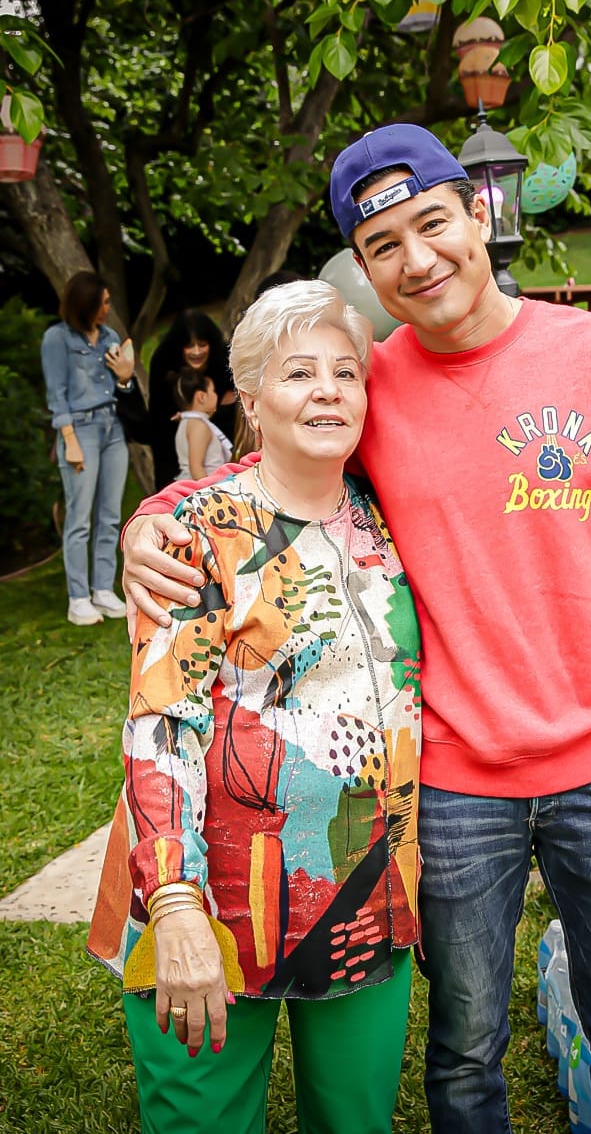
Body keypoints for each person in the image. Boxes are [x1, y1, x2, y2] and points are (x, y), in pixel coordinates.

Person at [120, 124, 591, 1133]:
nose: (418, 259)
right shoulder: (372, 388)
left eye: (432, 224)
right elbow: (271, 484)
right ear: (363, 270)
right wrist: (153, 520)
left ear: (478, 213)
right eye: (383, 247)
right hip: (449, 789)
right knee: (461, 1053)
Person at [87, 280, 423, 1134]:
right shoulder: (195, 534)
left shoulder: (387, 524)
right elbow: (161, 727)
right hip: (210, 900)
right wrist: (173, 905)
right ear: (251, 397)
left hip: (364, 895)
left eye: (346, 374)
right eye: (298, 373)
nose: (327, 391)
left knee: (357, 1124)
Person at [41, 270, 133, 625]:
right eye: (103, 302)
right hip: (80, 431)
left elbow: (121, 389)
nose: (107, 308)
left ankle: (103, 590)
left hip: (113, 428)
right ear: (85, 305)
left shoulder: (108, 336)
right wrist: (70, 442)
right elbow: (56, 396)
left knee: (110, 516)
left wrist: (125, 378)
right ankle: (78, 598)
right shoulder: (56, 339)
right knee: (79, 519)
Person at [148, 309, 237, 489]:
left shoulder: (225, 360)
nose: (196, 352)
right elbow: (158, 420)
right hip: (174, 449)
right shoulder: (163, 363)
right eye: (189, 346)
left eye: (202, 344)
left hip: (218, 447)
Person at [171, 366, 233, 479]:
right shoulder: (199, 426)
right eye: (213, 391)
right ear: (201, 397)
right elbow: (196, 468)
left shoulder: (187, 422)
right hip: (206, 486)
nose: (216, 395)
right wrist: (209, 494)